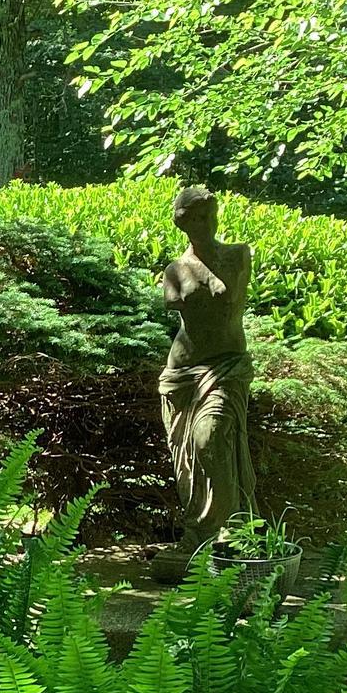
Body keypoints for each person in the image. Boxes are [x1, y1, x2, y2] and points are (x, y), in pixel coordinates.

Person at [150, 184, 258, 583]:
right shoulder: (175, 271)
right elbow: (182, 305)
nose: (205, 224)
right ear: (183, 223)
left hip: (226, 368)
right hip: (182, 374)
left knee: (210, 439)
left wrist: (210, 276)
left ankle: (230, 532)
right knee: (187, 456)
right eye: (195, 218)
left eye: (209, 216)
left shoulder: (237, 255)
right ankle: (198, 532)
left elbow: (231, 299)